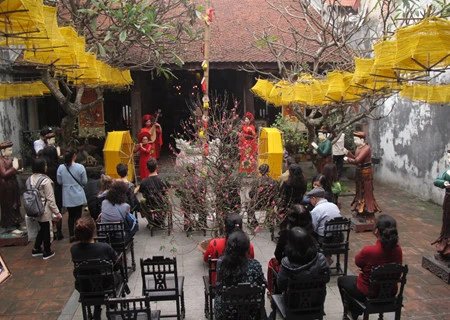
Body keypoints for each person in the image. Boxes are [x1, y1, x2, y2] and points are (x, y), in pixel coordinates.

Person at [338, 215, 402, 320]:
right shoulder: (398, 249)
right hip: (390, 291)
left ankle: (353, 311)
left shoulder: (369, 251)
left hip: (369, 292)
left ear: (376, 231)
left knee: (342, 280)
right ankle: (355, 310)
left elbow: (358, 262)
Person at [70, 216, 121, 320]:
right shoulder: (104, 247)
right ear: (94, 231)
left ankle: (97, 308)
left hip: (85, 287)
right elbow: (116, 264)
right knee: (116, 276)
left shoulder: (74, 250)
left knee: (94, 275)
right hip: (106, 285)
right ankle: (112, 304)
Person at [214, 230, 266, 320]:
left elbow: (218, 288)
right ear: (247, 249)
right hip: (251, 313)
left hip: (226, 313)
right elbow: (263, 284)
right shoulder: (255, 265)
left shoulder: (221, 265)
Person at [267, 204, 313, 294]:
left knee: (272, 263)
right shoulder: (312, 235)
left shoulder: (286, 235)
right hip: (312, 287)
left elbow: (278, 254)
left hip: (291, 294)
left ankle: (272, 291)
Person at [276, 227, 330, 294]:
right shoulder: (321, 259)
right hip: (317, 299)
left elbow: (281, 286)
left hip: (292, 301)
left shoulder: (286, 263)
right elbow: (327, 278)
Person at [344, 132, 381, 220]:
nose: (355, 142)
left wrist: (348, 159)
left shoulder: (366, 148)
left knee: (367, 192)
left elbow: (357, 160)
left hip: (366, 172)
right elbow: (355, 158)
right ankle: (360, 209)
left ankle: (369, 211)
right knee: (359, 192)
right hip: (359, 172)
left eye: (356, 140)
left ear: (362, 140)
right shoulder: (358, 148)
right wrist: (347, 153)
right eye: (354, 140)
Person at [30, 158, 62, 260]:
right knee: (47, 229)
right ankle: (47, 251)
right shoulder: (45, 181)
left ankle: (36, 248)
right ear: (42, 167)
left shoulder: (30, 179)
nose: (46, 167)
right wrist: (57, 212)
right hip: (44, 209)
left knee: (42, 228)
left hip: (34, 208)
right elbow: (50, 199)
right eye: (45, 165)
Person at [57, 148, 88, 243]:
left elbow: (59, 181)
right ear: (74, 156)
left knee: (70, 215)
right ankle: (78, 233)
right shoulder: (80, 167)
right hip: (78, 193)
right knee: (78, 215)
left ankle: (71, 234)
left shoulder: (61, 168)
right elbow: (84, 181)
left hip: (67, 194)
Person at [41, 132, 64, 240]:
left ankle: (52, 231)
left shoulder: (44, 168)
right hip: (57, 190)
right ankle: (59, 231)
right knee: (57, 209)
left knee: (49, 210)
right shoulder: (58, 167)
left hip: (46, 192)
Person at [138, 158, 169, 229]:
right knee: (168, 202)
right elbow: (166, 193)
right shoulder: (162, 180)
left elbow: (143, 195)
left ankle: (151, 221)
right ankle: (161, 220)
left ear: (147, 168)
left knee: (142, 202)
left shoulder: (144, 182)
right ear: (157, 167)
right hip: (161, 203)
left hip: (150, 204)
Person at [0, 141, 23, 231]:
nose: (11, 152)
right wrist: (14, 168)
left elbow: (12, 171)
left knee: (16, 204)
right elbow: (4, 174)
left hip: (13, 185)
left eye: (11, 150)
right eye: (9, 150)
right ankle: (9, 225)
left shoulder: (10, 160)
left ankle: (16, 223)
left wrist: (17, 170)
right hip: (6, 188)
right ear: (3, 151)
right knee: (8, 206)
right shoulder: (1, 161)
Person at [247, 164, 279, 229]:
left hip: (258, 202)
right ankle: (269, 220)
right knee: (271, 204)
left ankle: (254, 222)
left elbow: (251, 193)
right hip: (269, 202)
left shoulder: (256, 181)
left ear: (260, 171)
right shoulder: (274, 181)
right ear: (268, 171)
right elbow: (276, 193)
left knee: (249, 207)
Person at [431, 149, 450, 258]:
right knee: (446, 220)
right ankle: (444, 241)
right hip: (448, 198)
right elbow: (437, 181)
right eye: (448, 157)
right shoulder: (447, 171)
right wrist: (445, 183)